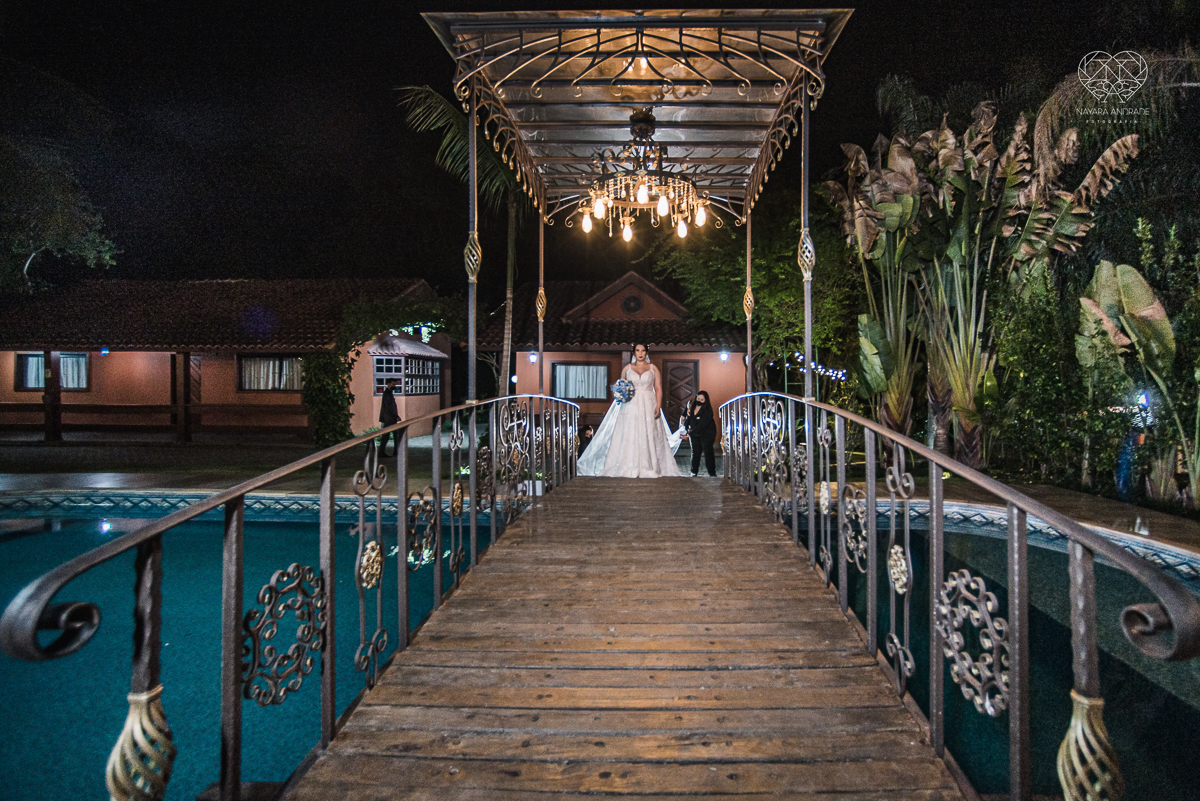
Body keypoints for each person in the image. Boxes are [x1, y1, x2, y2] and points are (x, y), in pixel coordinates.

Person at [577, 344, 682, 478]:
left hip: (648, 403)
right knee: (630, 431)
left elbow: (658, 388)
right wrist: (620, 393)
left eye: (643, 350)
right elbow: (621, 386)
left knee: (649, 432)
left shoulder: (653, 368)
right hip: (631, 405)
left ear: (646, 352)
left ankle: (650, 465)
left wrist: (658, 406)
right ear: (634, 352)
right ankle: (628, 464)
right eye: (638, 350)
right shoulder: (627, 368)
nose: (640, 353)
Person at [682, 390, 718, 477]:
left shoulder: (707, 410)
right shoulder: (691, 406)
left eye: (702, 400)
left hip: (707, 433)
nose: (699, 401)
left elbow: (702, 424)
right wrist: (686, 429)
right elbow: (687, 418)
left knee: (708, 452)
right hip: (694, 433)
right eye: (698, 399)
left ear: (705, 400)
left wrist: (690, 432)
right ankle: (694, 471)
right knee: (695, 452)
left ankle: (712, 473)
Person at [378, 377, 400, 457]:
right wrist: (396, 416)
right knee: (388, 436)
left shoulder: (388, 393)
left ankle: (393, 452)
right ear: (389, 384)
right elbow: (390, 407)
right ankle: (384, 452)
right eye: (393, 384)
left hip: (389, 417)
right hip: (389, 418)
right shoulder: (387, 394)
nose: (395, 386)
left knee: (389, 436)